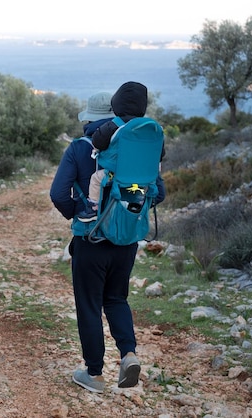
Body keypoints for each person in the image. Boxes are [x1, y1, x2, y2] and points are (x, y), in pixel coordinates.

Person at [49, 83, 166, 394]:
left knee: (89, 304)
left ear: (92, 118)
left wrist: (79, 211)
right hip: (126, 240)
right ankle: (129, 354)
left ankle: (95, 373)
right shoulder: (137, 148)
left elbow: (58, 194)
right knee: (117, 298)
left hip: (91, 240)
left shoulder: (78, 147)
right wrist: (128, 210)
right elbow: (159, 193)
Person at [77, 81, 165, 222]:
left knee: (96, 179)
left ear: (116, 104)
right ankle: (138, 204)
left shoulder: (114, 124)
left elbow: (98, 141)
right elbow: (160, 153)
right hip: (144, 175)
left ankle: (93, 208)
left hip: (116, 174)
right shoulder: (152, 128)